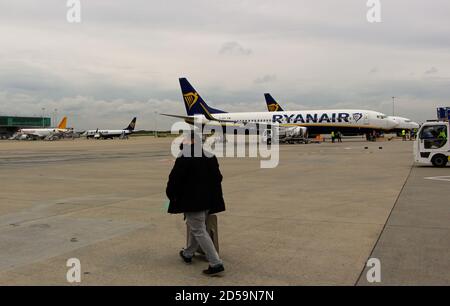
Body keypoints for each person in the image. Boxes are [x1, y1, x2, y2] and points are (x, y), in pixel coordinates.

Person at [166, 133, 226, 276]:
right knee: (197, 227)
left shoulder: (184, 156)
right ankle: (188, 253)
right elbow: (218, 178)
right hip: (208, 200)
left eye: (185, 139)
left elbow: (175, 179)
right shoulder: (210, 155)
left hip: (192, 201)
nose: (183, 141)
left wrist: (171, 195)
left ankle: (215, 263)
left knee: (198, 229)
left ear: (192, 141)